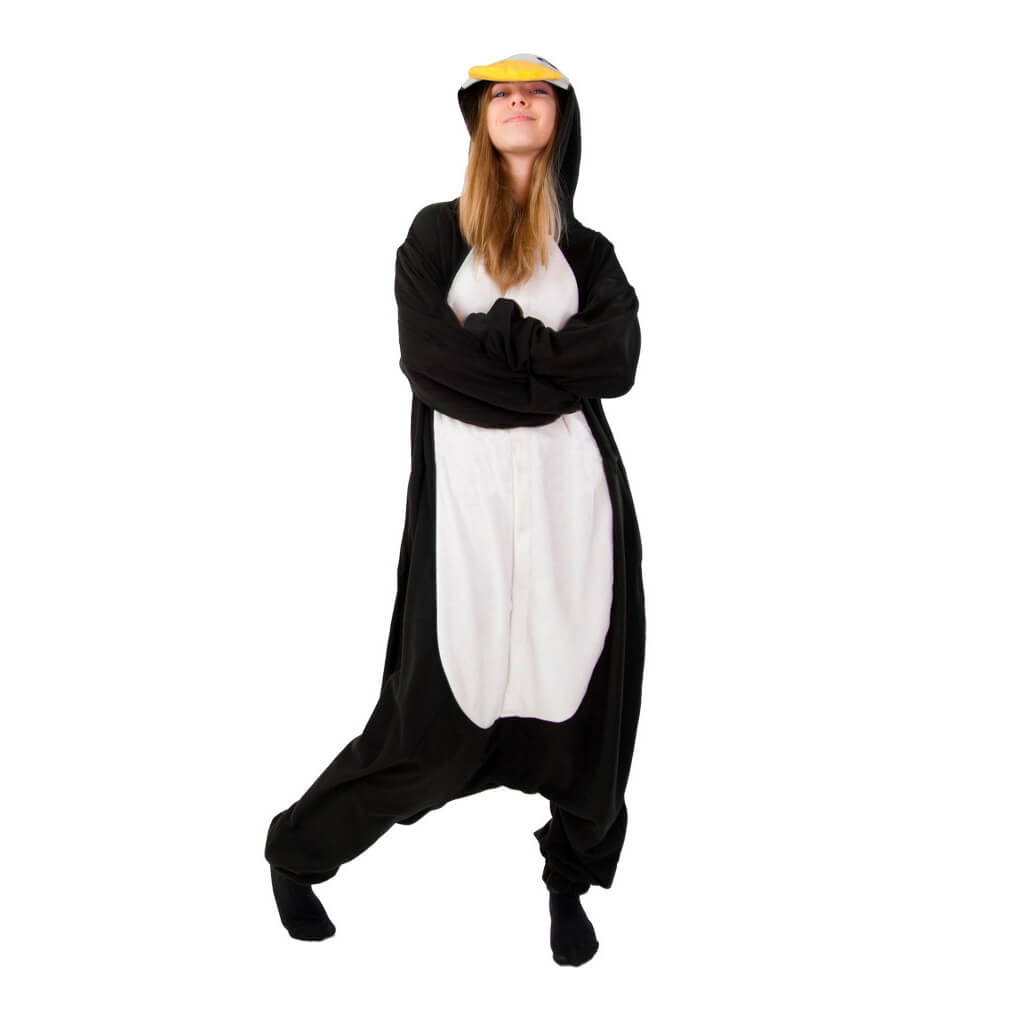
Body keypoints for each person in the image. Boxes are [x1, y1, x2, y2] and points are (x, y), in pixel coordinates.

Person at [265, 52, 645, 968]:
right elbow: (432, 367)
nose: (518, 103)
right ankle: (299, 853)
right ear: (478, 117)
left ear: (560, 118)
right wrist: (542, 368)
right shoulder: (436, 236)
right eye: (501, 94)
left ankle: (568, 881)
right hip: (463, 511)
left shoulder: (588, 253)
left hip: (573, 507)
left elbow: (615, 363)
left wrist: (497, 340)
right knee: (428, 722)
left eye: (535, 93)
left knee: (586, 712)